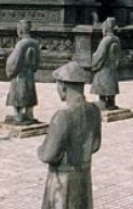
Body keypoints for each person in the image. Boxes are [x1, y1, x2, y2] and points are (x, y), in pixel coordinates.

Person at [38, 61, 101, 209]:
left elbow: (49, 155)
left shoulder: (62, 116)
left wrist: (39, 150)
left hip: (62, 181)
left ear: (63, 86)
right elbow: (96, 145)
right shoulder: (94, 110)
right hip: (84, 176)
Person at [6, 19, 41, 124]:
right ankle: (29, 113)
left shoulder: (21, 44)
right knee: (29, 91)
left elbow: (14, 60)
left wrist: (10, 71)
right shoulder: (35, 43)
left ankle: (19, 115)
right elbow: (37, 61)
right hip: (29, 73)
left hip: (19, 74)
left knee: (18, 94)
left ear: (20, 30)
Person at [90, 17, 121, 110]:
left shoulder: (106, 40)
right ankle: (111, 102)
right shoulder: (116, 39)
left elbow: (100, 54)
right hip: (112, 66)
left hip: (104, 67)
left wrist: (93, 62)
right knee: (111, 83)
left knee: (103, 83)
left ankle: (103, 102)